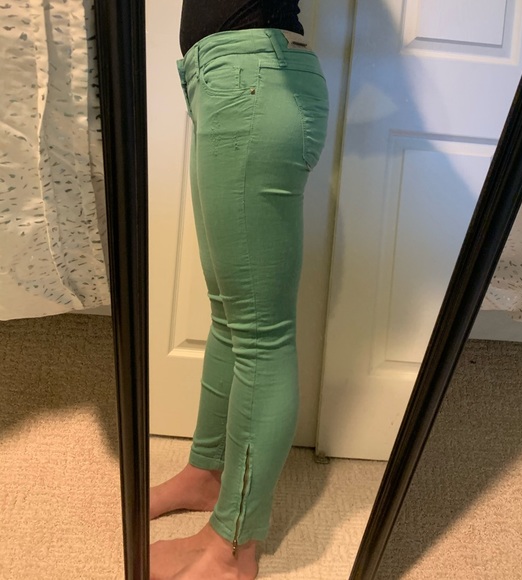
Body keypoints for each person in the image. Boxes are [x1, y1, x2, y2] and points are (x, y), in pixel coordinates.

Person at [149, 1, 329, 578]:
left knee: (259, 332)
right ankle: (205, 474)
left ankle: (233, 547)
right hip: (228, 79)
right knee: (230, 316)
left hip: (252, 79)